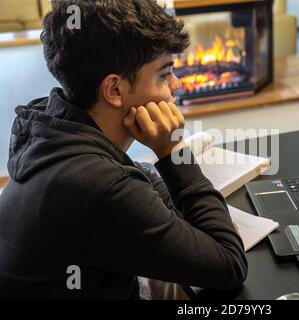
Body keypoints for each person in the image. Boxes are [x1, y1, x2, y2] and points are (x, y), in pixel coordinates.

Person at [0, 0, 247, 299]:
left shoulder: (50, 126)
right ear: (114, 90)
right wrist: (172, 150)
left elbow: (144, 185)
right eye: (163, 73)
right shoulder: (100, 185)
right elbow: (230, 266)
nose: (177, 84)